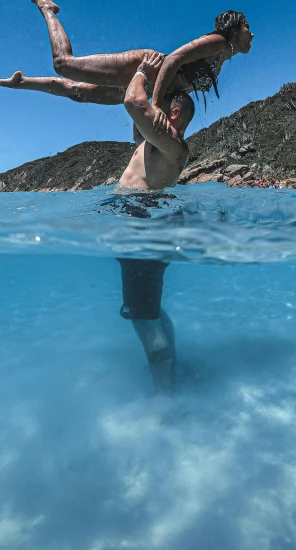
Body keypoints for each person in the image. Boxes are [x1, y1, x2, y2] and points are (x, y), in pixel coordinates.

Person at [0, 0, 253, 130]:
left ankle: (22, 82)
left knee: (78, 93)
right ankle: (48, 9)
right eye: (247, 27)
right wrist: (156, 105)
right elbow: (173, 58)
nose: (251, 34)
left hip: (148, 84)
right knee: (63, 63)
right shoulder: (218, 42)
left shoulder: (222, 56)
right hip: (145, 67)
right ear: (234, 28)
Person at [115, 52, 195, 394]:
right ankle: (171, 369)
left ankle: (165, 397)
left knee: (144, 319)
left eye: (161, 106)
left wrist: (142, 72)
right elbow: (140, 124)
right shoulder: (157, 143)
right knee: (152, 313)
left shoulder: (171, 143)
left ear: (172, 114)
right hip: (143, 224)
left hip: (140, 224)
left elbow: (134, 102)